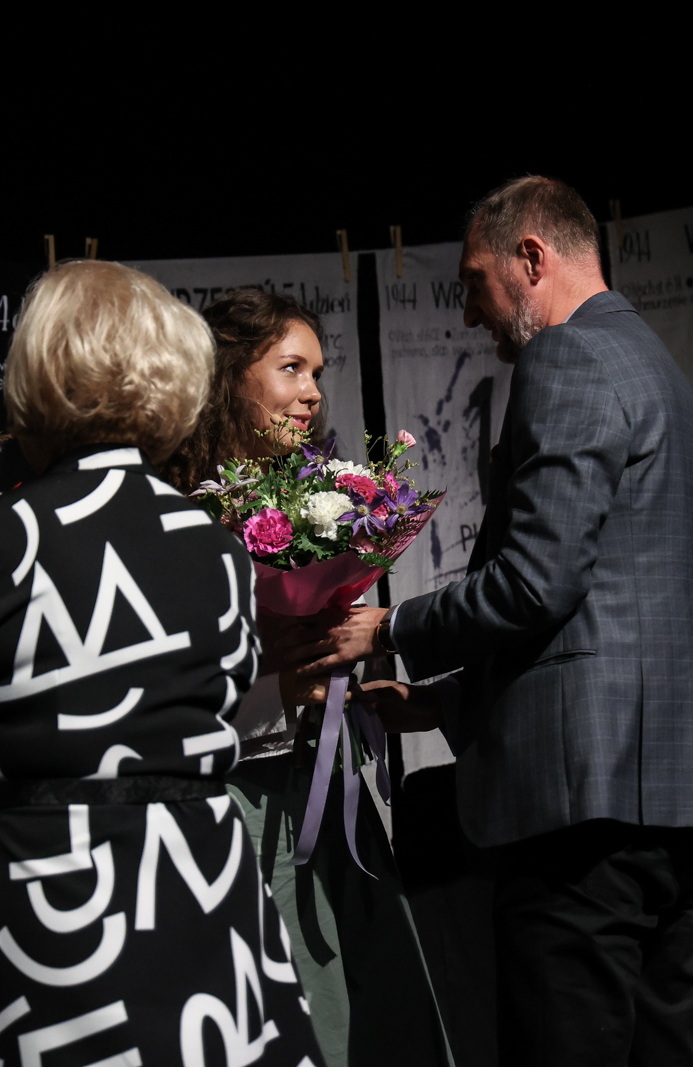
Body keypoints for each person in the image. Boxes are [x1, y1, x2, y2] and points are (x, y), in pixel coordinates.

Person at [0, 261, 323, 1066]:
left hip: (43, 910)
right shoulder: (218, 548)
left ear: (36, 374)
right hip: (202, 901)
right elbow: (221, 705)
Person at [301, 176, 693, 1064]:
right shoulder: (664, 374)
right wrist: (441, 704)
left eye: (474, 283)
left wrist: (388, 627)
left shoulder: (568, 358)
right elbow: (609, 617)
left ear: (532, 258)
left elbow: (537, 582)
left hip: (579, 819)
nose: (468, 315)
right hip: (674, 811)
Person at [161, 289, 452, 1067]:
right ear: (230, 378)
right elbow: (168, 696)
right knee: (288, 1001)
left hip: (326, 782)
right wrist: (278, 683)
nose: (313, 392)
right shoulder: (181, 514)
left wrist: (337, 658)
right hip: (240, 799)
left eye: (317, 372)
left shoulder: (318, 498)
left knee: (373, 995)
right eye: (291, 368)